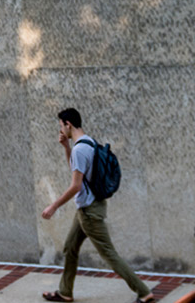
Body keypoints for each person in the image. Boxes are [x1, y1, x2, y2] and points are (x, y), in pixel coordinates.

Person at [41, 108, 156, 303]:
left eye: (61, 126)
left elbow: (76, 185)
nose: (60, 129)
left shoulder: (80, 149)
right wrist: (66, 147)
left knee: (109, 254)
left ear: (68, 124)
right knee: (70, 247)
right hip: (90, 207)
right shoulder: (89, 142)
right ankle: (65, 292)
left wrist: (54, 206)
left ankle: (144, 292)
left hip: (89, 212)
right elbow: (78, 171)